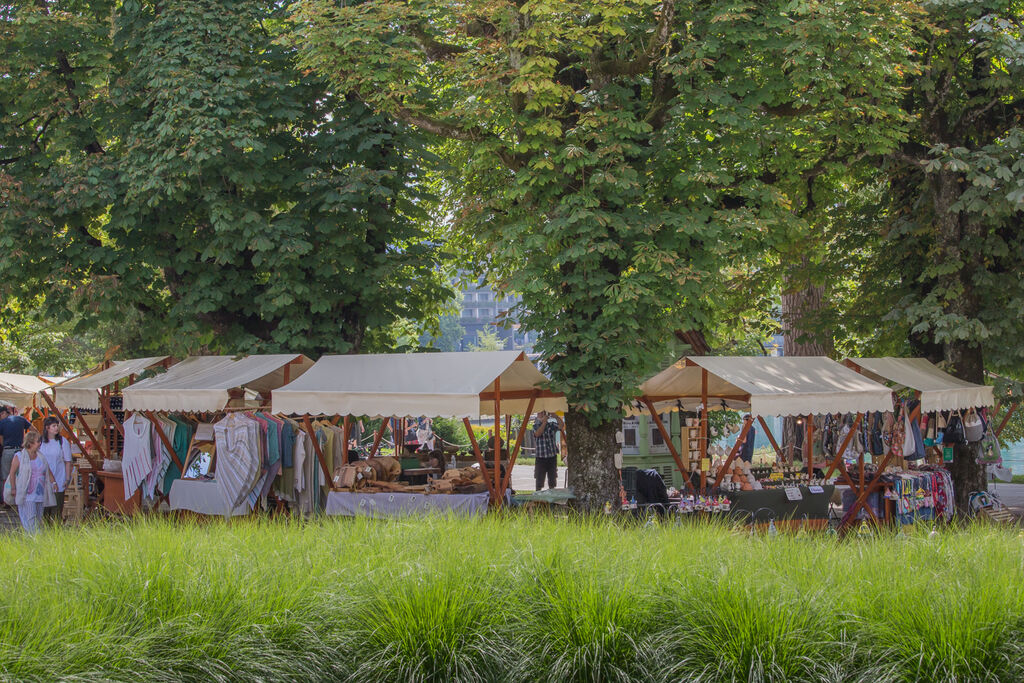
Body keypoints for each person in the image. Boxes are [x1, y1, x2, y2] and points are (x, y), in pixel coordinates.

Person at [6, 430, 56, 533]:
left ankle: (33, 537)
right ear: (30, 443)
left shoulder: (41, 456)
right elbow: (12, 473)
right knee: (30, 519)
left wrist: (53, 482)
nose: (40, 443)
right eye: (38, 441)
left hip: (40, 493)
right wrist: (13, 488)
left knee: (38, 518)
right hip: (27, 493)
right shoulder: (19, 456)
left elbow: (47, 470)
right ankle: (35, 538)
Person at [39, 417, 73, 522]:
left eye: (57, 425)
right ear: (47, 428)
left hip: (59, 478)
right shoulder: (40, 442)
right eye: (53, 426)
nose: (56, 428)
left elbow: (68, 461)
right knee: (44, 510)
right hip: (43, 479)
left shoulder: (62, 442)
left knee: (57, 509)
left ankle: (56, 528)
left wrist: (67, 479)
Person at [0, 405, 32, 507]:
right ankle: (19, 499)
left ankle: (6, 501)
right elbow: (33, 430)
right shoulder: (21, 419)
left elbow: (1, 441)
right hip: (20, 451)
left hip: (7, 450)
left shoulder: (2, 423)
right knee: (20, 475)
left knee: (6, 476)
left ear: (3, 413)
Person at [532, 410, 564, 491]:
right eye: (540, 413)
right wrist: (544, 422)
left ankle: (552, 494)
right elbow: (538, 433)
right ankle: (538, 495)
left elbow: (561, 426)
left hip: (552, 457)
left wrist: (555, 416)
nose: (542, 415)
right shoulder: (535, 425)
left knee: (552, 479)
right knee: (539, 479)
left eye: (543, 413)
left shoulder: (551, 425)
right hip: (541, 457)